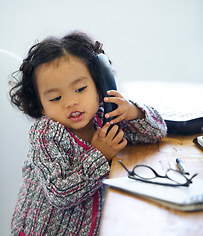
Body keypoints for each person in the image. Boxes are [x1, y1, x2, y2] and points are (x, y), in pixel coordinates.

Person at [9, 30, 167, 236]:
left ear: (100, 84)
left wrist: (133, 112)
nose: (70, 102)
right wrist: (100, 154)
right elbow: (60, 193)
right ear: (40, 106)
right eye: (55, 98)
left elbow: (157, 133)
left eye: (80, 89)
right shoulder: (46, 134)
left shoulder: (105, 117)